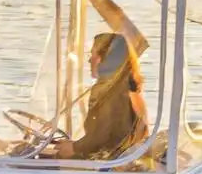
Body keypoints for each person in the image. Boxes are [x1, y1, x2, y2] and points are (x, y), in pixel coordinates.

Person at [53, 32, 147, 160]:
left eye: (93, 55)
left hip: (109, 164)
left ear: (108, 59)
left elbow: (101, 135)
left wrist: (74, 148)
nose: (89, 59)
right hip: (119, 159)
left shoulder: (113, 92)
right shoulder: (128, 87)